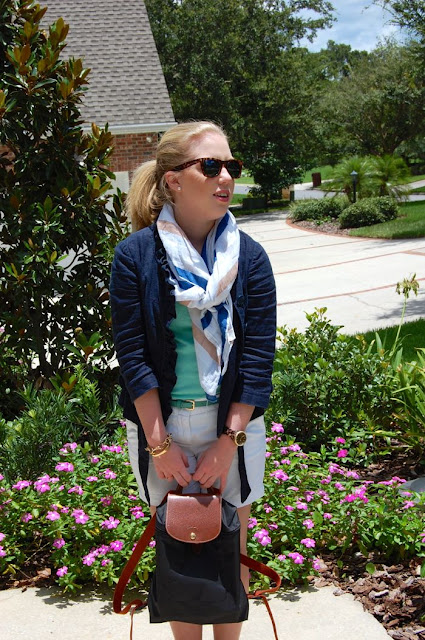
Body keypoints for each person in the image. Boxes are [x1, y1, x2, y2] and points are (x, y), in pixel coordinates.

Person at [109, 120, 276, 640]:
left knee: (231, 550)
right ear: (174, 180)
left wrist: (229, 442)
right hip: (160, 428)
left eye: (231, 166)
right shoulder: (135, 257)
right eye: (210, 165)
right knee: (179, 549)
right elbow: (133, 357)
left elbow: (257, 361)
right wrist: (160, 446)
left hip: (234, 428)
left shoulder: (250, 258)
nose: (226, 177)